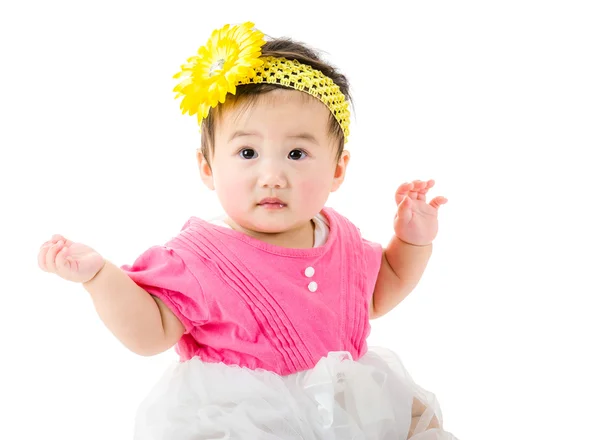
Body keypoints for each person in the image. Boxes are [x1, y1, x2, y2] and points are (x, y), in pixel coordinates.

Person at [37, 21, 458, 439]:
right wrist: (99, 276)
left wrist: (410, 241)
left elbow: (380, 294)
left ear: (336, 169)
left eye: (297, 153)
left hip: (346, 404)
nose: (272, 175)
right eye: (247, 152)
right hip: (245, 420)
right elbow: (150, 334)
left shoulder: (339, 238)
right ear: (208, 167)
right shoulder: (198, 259)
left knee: (417, 424)